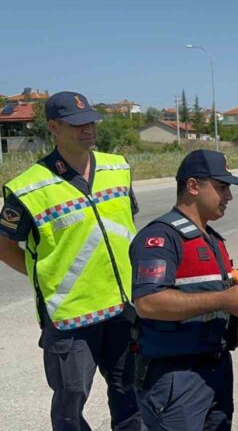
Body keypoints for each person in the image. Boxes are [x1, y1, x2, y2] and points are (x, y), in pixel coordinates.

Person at [0, 91, 142, 430]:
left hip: (124, 309)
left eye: (91, 122)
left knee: (131, 397)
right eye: (77, 124)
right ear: (53, 127)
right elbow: (4, 246)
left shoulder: (117, 168)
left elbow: (126, 227)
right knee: (70, 404)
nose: (88, 130)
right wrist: (42, 276)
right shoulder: (28, 188)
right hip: (70, 318)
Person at [129, 150, 238, 430]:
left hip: (215, 368)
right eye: (221, 187)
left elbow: (212, 299)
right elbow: (148, 302)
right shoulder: (161, 237)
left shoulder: (211, 239)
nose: (228, 196)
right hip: (176, 375)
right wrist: (224, 300)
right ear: (193, 186)